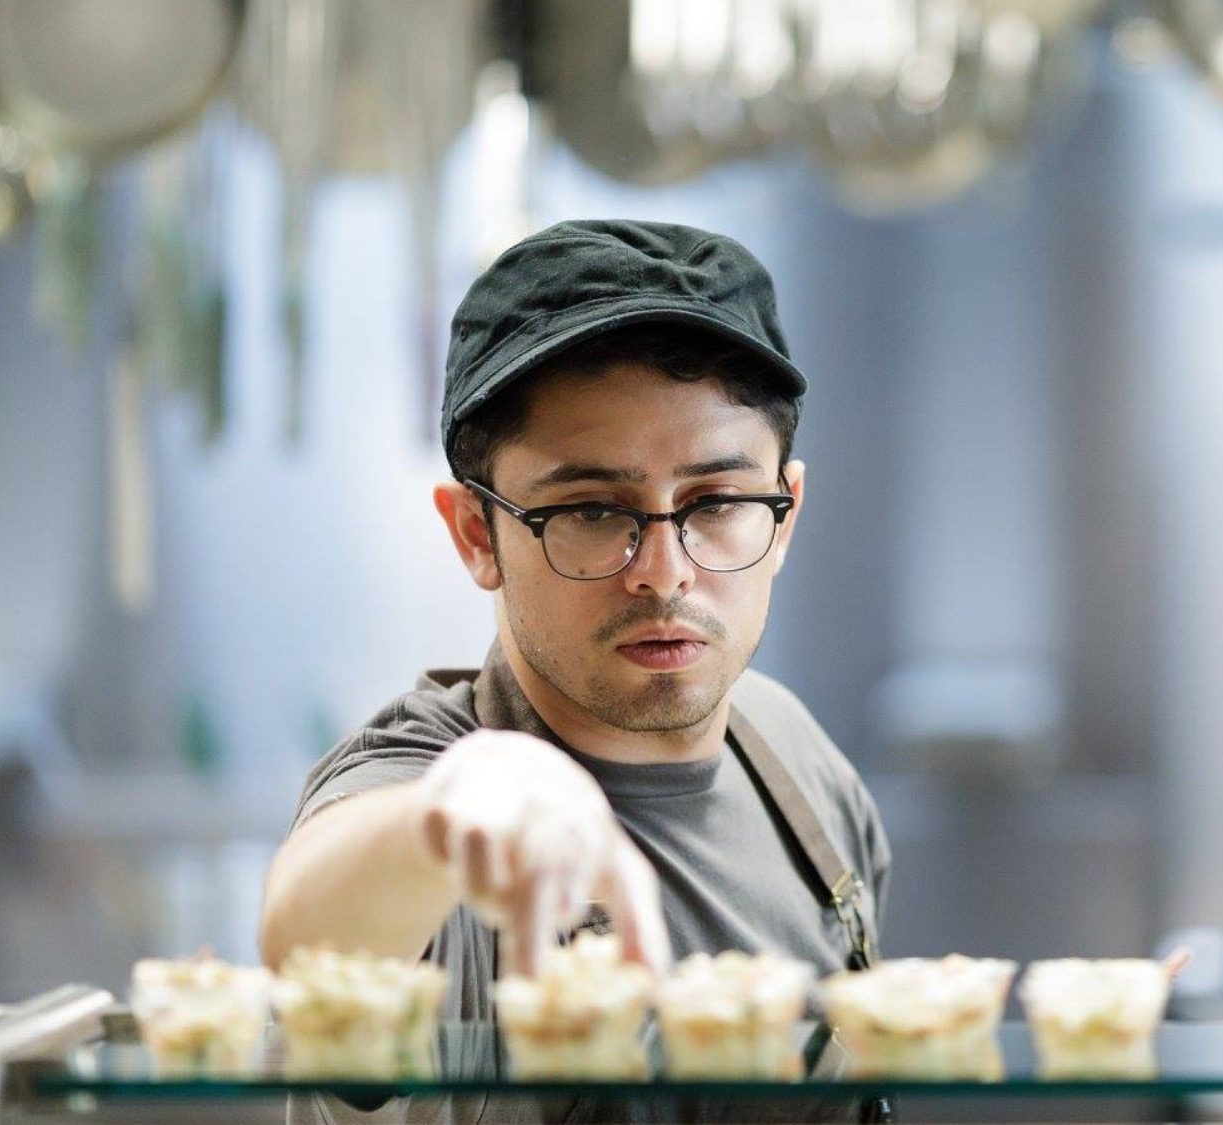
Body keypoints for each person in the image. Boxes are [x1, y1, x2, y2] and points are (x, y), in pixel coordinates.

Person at [258, 219, 890, 1061]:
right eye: (593, 510)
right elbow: (309, 942)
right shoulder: (432, 781)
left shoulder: (799, 761)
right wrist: (445, 822)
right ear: (476, 533)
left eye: (715, 502)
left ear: (785, 516)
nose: (664, 573)